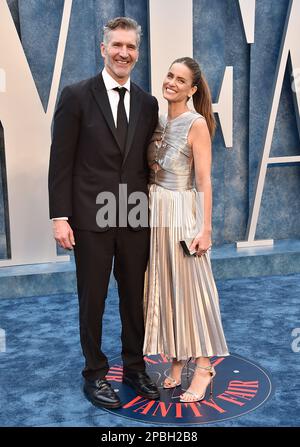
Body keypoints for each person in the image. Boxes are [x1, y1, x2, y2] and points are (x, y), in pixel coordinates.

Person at [48, 17, 160, 409]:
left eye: (130, 47)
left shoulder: (148, 102)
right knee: (92, 299)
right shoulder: (76, 95)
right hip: (89, 218)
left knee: (134, 299)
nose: (123, 53)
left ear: (137, 53)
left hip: (133, 217)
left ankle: (134, 367)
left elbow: (145, 165)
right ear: (103, 49)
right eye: (117, 45)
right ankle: (95, 374)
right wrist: (59, 216)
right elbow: (61, 161)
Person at [143, 57, 229, 403]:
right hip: (153, 210)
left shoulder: (196, 124)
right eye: (169, 75)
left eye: (181, 80)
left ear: (192, 90)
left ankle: (205, 365)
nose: (172, 83)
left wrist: (205, 228)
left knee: (191, 288)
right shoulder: (158, 118)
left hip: (180, 211)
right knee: (166, 286)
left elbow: (205, 180)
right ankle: (178, 361)